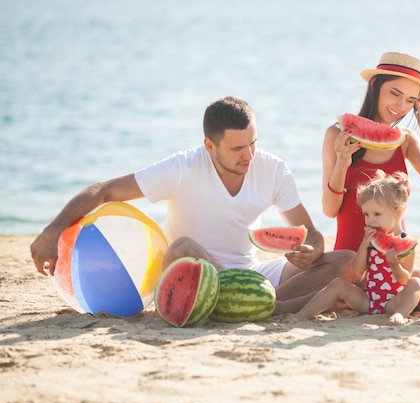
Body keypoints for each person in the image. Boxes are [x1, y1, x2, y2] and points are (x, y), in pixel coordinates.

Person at [30, 96, 354, 314]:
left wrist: (312, 249)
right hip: (197, 274)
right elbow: (103, 191)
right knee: (183, 247)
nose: (249, 155)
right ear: (209, 146)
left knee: (345, 261)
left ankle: (267, 306)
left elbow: (309, 231)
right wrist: (53, 229)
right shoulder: (182, 168)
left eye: (254, 143)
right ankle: (274, 306)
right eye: (238, 148)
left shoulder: (272, 168)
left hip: (251, 274)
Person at [321, 51, 420, 312]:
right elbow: (329, 210)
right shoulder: (337, 135)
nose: (401, 106)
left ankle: (377, 303)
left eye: (410, 100)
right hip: (352, 259)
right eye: (395, 93)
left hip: (393, 261)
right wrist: (342, 162)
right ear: (375, 86)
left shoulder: (405, 140)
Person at [296, 170, 420, 325]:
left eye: (377, 214)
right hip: (366, 301)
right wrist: (364, 245)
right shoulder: (371, 240)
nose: (370, 220)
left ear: (399, 212)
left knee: (416, 284)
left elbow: (404, 279)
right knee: (337, 284)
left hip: (393, 303)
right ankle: (302, 315)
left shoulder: (406, 243)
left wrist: (394, 265)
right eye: (366, 214)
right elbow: (357, 271)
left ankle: (400, 315)